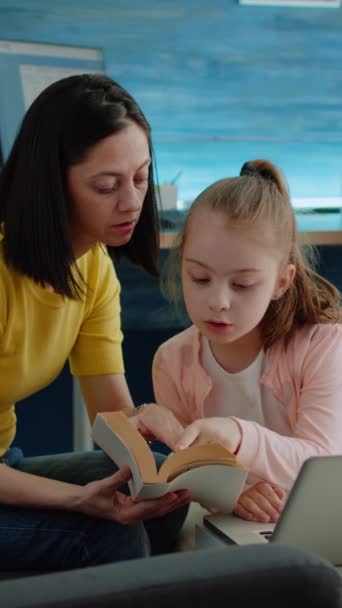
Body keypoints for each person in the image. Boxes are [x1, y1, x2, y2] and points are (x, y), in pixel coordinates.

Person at [0, 73, 190, 572]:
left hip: (5, 466)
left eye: (141, 178)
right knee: (107, 538)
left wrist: (162, 440)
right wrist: (76, 501)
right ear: (51, 184)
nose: (132, 202)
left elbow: (112, 415)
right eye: (107, 186)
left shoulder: (93, 265)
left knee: (164, 501)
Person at [135, 159, 342, 525]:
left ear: (282, 281)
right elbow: (194, 475)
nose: (218, 301)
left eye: (242, 285)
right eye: (199, 278)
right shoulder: (172, 361)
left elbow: (323, 466)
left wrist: (237, 435)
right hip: (238, 529)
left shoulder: (322, 344)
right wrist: (236, 494)